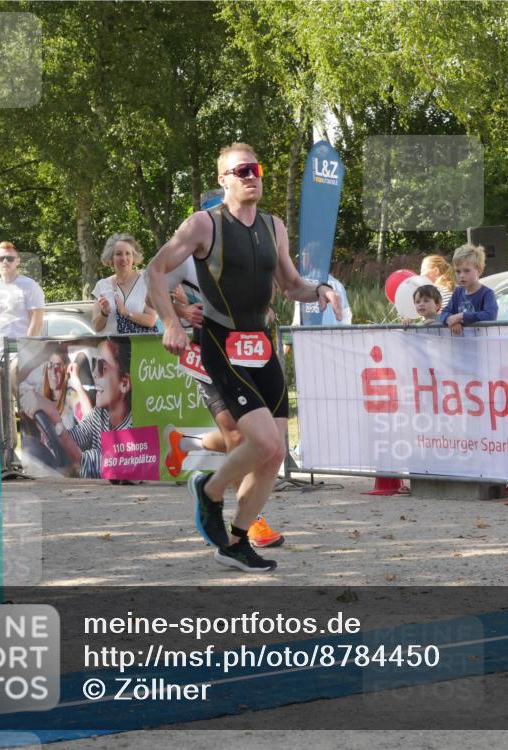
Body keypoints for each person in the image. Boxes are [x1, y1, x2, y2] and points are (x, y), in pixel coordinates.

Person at [146, 142, 342, 573]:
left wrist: (321, 289)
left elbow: (291, 285)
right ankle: (209, 490)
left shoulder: (274, 226)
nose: (251, 176)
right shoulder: (204, 224)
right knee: (262, 441)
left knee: (274, 453)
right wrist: (171, 323)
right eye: (241, 171)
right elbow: (155, 269)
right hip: (221, 342)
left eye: (256, 169)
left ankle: (236, 542)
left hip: (262, 345)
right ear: (223, 180)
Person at [156, 255, 285, 548]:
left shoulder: (250, 245)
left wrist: (263, 308)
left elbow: (272, 292)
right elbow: (150, 295)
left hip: (247, 352)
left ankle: (184, 442)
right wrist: (180, 313)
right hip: (207, 352)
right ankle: (251, 521)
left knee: (253, 434)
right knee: (236, 434)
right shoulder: (188, 254)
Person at [23, 337, 132, 479]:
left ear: (124, 383)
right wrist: (50, 423)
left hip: (113, 491)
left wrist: (53, 416)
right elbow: (73, 437)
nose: (94, 373)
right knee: (30, 445)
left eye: (102, 367)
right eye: (94, 364)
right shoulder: (100, 415)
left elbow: (85, 462)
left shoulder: (133, 429)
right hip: (95, 490)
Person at [0, 241, 45, 449]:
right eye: (1, 258)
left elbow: (37, 319)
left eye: (9, 258)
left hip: (19, 353)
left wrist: (27, 349)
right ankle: (7, 452)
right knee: (0, 407)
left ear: (18, 261)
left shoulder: (28, 285)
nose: (5, 262)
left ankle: (38, 449)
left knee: (26, 403)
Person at [92, 234, 158, 335]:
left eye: (128, 254)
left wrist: (127, 313)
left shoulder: (146, 282)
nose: (124, 258)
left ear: (133, 257)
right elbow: (96, 327)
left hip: (138, 344)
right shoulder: (102, 285)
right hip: (111, 344)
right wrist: (104, 313)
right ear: (111, 258)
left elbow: (151, 320)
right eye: (118, 254)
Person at [439, 244, 498, 334]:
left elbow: (490, 315)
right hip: (461, 341)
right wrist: (450, 320)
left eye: (466, 271)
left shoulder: (487, 293)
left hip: (482, 340)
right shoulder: (458, 292)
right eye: (458, 271)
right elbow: (444, 312)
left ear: (479, 271)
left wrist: (461, 316)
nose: (461, 275)